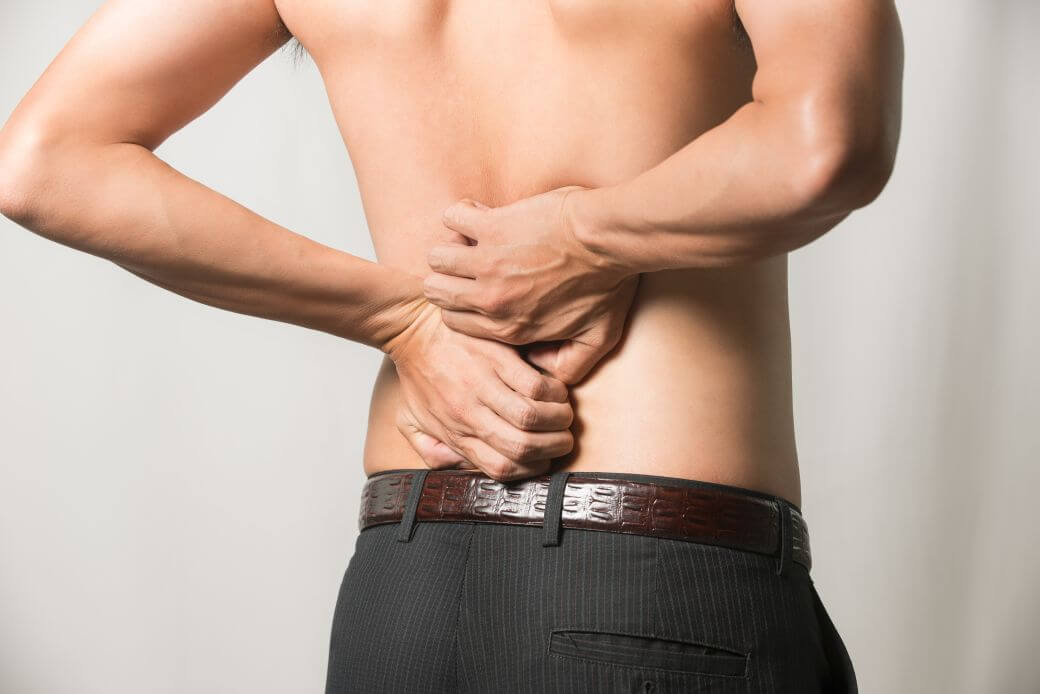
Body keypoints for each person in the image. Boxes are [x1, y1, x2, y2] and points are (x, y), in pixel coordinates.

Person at [0, 0, 903, 691]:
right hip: (650, 579)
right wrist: (589, 235)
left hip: (406, 582)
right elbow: (826, 143)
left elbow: (44, 160)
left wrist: (402, 317)